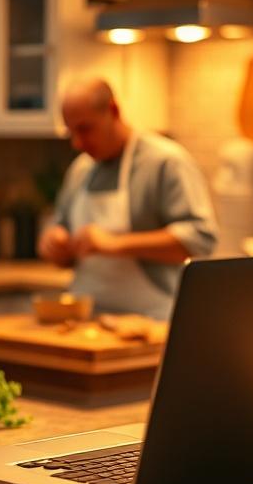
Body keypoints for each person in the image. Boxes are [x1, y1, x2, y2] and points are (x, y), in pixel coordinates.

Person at [37, 77, 218, 319]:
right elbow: (61, 228)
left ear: (113, 111)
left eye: (85, 129)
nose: (77, 143)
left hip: (152, 320)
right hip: (86, 320)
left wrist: (113, 243)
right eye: (71, 132)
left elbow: (200, 238)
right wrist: (55, 245)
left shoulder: (165, 162)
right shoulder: (81, 170)